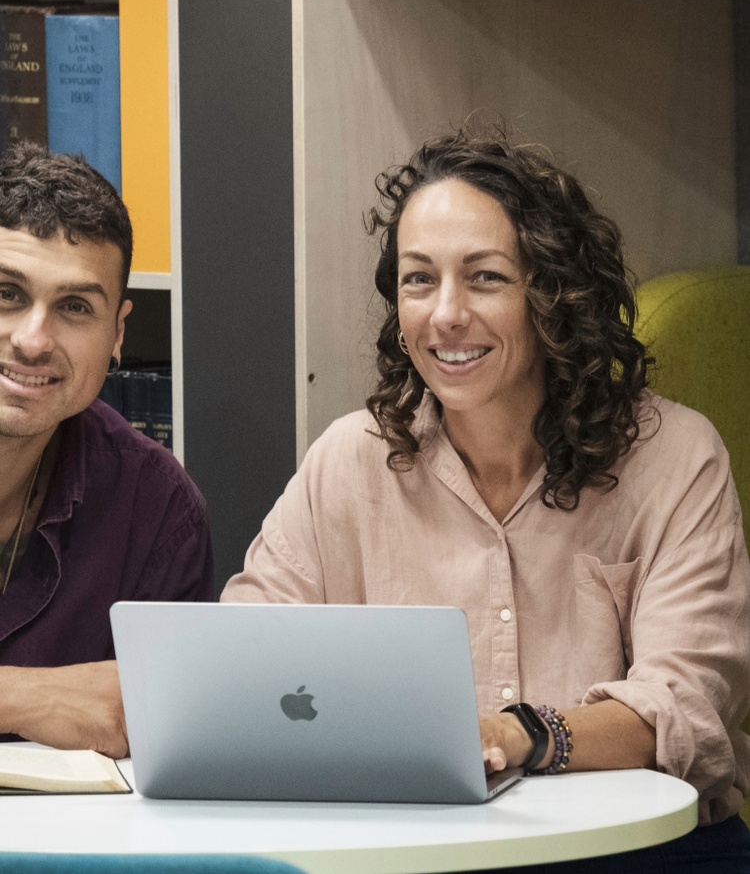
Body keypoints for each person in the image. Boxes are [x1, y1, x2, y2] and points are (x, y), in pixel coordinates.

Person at [222, 123, 750, 871]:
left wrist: (520, 734)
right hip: (420, 850)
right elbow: (240, 660)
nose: (445, 314)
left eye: (485, 278)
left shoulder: (675, 457)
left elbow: (686, 708)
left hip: (644, 852)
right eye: (418, 279)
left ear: (554, 295)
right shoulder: (348, 460)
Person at [0, 141, 213, 759]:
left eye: (75, 307)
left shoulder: (156, 508)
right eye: (8, 293)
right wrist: (24, 697)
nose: (33, 340)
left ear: (118, 332)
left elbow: (172, 736)